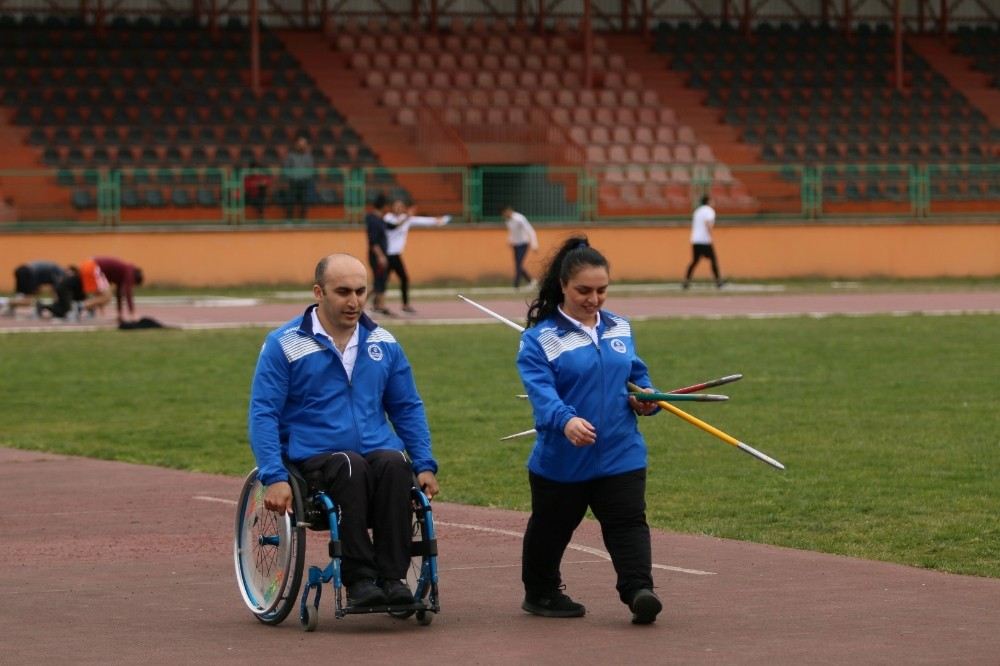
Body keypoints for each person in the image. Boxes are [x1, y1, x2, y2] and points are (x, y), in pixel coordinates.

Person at [248, 253, 440, 608]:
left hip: (375, 451)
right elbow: (263, 413)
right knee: (350, 465)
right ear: (318, 292)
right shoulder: (285, 344)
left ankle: (393, 578)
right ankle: (360, 579)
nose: (354, 301)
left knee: (396, 464)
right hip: (317, 457)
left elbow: (407, 407)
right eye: (343, 291)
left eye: (361, 291)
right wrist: (273, 475)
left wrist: (424, 463)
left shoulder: (383, 342)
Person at [516, 235, 663, 625]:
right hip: (562, 458)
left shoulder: (619, 327)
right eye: (584, 290)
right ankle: (541, 592)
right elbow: (542, 395)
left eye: (602, 290)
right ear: (563, 285)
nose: (594, 299)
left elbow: (635, 375)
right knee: (551, 529)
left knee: (628, 522)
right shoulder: (538, 340)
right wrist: (566, 421)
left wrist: (646, 397)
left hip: (621, 450)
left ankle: (638, 591)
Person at [383, 199, 449, 314]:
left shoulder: (406, 219)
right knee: (381, 282)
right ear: (392, 207)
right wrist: (407, 218)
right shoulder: (388, 217)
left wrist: (438, 221)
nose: (398, 208)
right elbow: (393, 226)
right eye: (396, 206)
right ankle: (376, 304)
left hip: (396, 255)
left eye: (401, 206)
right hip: (387, 255)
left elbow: (422, 221)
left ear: (404, 208)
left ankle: (404, 305)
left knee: (402, 279)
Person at [42, 258, 111, 320]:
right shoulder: (85, 277)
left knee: (67, 307)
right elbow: (93, 294)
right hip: (64, 289)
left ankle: (46, 307)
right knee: (66, 310)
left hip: (69, 290)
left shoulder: (83, 277)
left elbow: (93, 294)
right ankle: (44, 307)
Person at [683, 194, 725, 289]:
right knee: (713, 260)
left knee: (694, 261)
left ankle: (686, 281)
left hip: (695, 240)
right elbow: (708, 223)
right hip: (704, 240)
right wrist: (710, 236)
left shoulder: (697, 211)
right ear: (708, 201)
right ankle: (718, 282)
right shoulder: (709, 211)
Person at [93, 256, 144, 324]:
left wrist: (119, 313)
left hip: (93, 266)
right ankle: (82, 306)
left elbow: (119, 294)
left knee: (104, 293)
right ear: (134, 279)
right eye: (133, 284)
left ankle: (86, 308)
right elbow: (128, 293)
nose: (131, 285)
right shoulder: (129, 272)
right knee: (107, 296)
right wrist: (132, 313)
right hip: (93, 267)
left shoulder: (123, 274)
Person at [365, 193, 392, 316]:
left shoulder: (380, 219)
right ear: (383, 206)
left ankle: (379, 305)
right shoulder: (373, 220)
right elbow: (373, 241)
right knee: (378, 282)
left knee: (382, 280)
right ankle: (358, 303)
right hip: (376, 256)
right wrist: (380, 256)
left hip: (381, 255)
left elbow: (392, 227)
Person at [502, 205, 538, 289]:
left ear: (509, 210)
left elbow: (530, 230)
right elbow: (512, 232)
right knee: (518, 265)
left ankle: (516, 285)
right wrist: (509, 240)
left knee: (518, 264)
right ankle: (531, 281)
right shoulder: (508, 221)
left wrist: (534, 244)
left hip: (524, 243)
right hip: (516, 244)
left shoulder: (519, 219)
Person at [283, 135, 315, 221]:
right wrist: (292, 177)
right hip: (293, 182)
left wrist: (304, 177)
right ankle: (289, 219)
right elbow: (286, 169)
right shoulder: (290, 156)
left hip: (304, 182)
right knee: (290, 200)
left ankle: (303, 219)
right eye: (300, 144)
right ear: (296, 145)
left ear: (306, 145)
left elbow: (311, 170)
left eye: (303, 144)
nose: (301, 146)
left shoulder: (309, 157)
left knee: (305, 200)